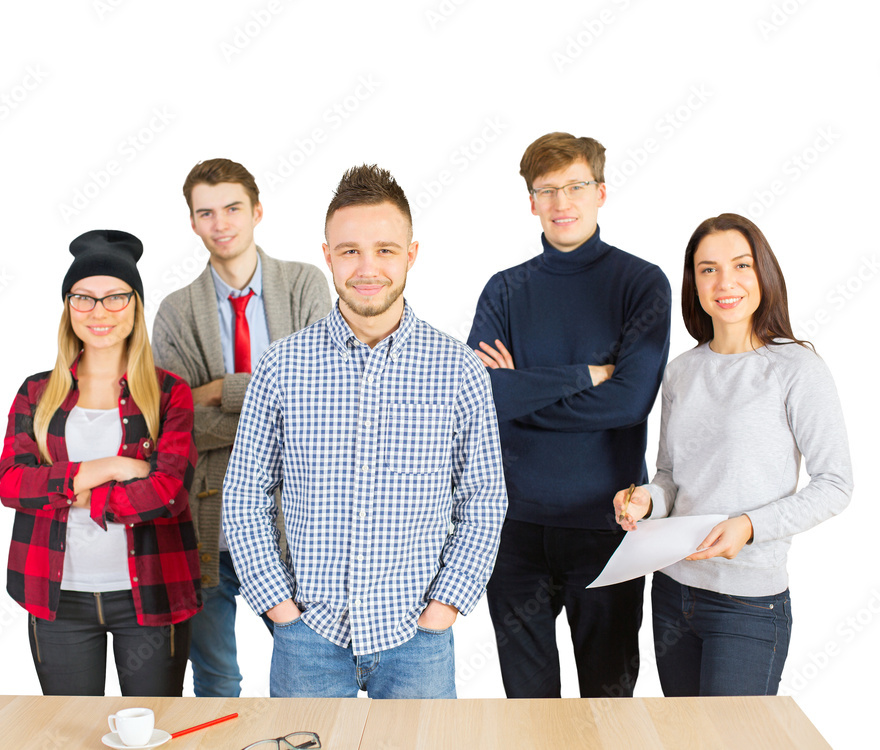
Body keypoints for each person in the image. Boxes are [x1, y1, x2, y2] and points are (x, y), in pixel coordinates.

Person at [223, 164, 508, 699]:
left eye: (385, 249)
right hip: (308, 639)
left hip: (417, 641)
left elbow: (484, 499)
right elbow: (244, 496)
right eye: (350, 250)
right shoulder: (282, 366)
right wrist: (280, 610)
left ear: (411, 254)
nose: (367, 267)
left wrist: (443, 610)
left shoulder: (459, 370)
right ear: (327, 256)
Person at [467, 132, 671, 699]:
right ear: (530, 201)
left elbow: (631, 401)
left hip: (608, 528)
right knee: (528, 711)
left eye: (576, 186)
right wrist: (584, 374)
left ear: (600, 192)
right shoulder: (505, 290)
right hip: (513, 532)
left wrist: (522, 391)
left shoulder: (640, 284)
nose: (562, 202)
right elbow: (482, 401)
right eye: (547, 190)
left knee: (608, 707)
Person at [614, 213, 853, 696]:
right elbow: (669, 477)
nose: (725, 282)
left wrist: (748, 526)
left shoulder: (797, 370)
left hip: (747, 604)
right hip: (673, 592)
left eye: (741, 265)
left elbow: (835, 484)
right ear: (694, 282)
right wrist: (645, 501)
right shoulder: (681, 371)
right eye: (708, 269)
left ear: (763, 273)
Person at [151, 158, 331, 697]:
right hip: (210, 522)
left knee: (312, 671)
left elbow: (317, 401)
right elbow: (178, 427)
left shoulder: (303, 285)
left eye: (232, 208)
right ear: (192, 223)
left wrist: (218, 391)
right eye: (205, 213)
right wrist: (268, 404)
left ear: (256, 212)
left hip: (295, 520)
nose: (220, 223)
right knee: (215, 679)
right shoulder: (176, 312)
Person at [0, 229, 201, 696]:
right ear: (68, 307)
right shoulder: (36, 392)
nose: (99, 312)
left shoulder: (170, 393)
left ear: (135, 305)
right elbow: (12, 485)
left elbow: (168, 492)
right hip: (57, 597)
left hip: (151, 593)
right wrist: (114, 465)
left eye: (114, 297)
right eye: (84, 298)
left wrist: (67, 493)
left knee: (151, 733)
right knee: (70, 733)